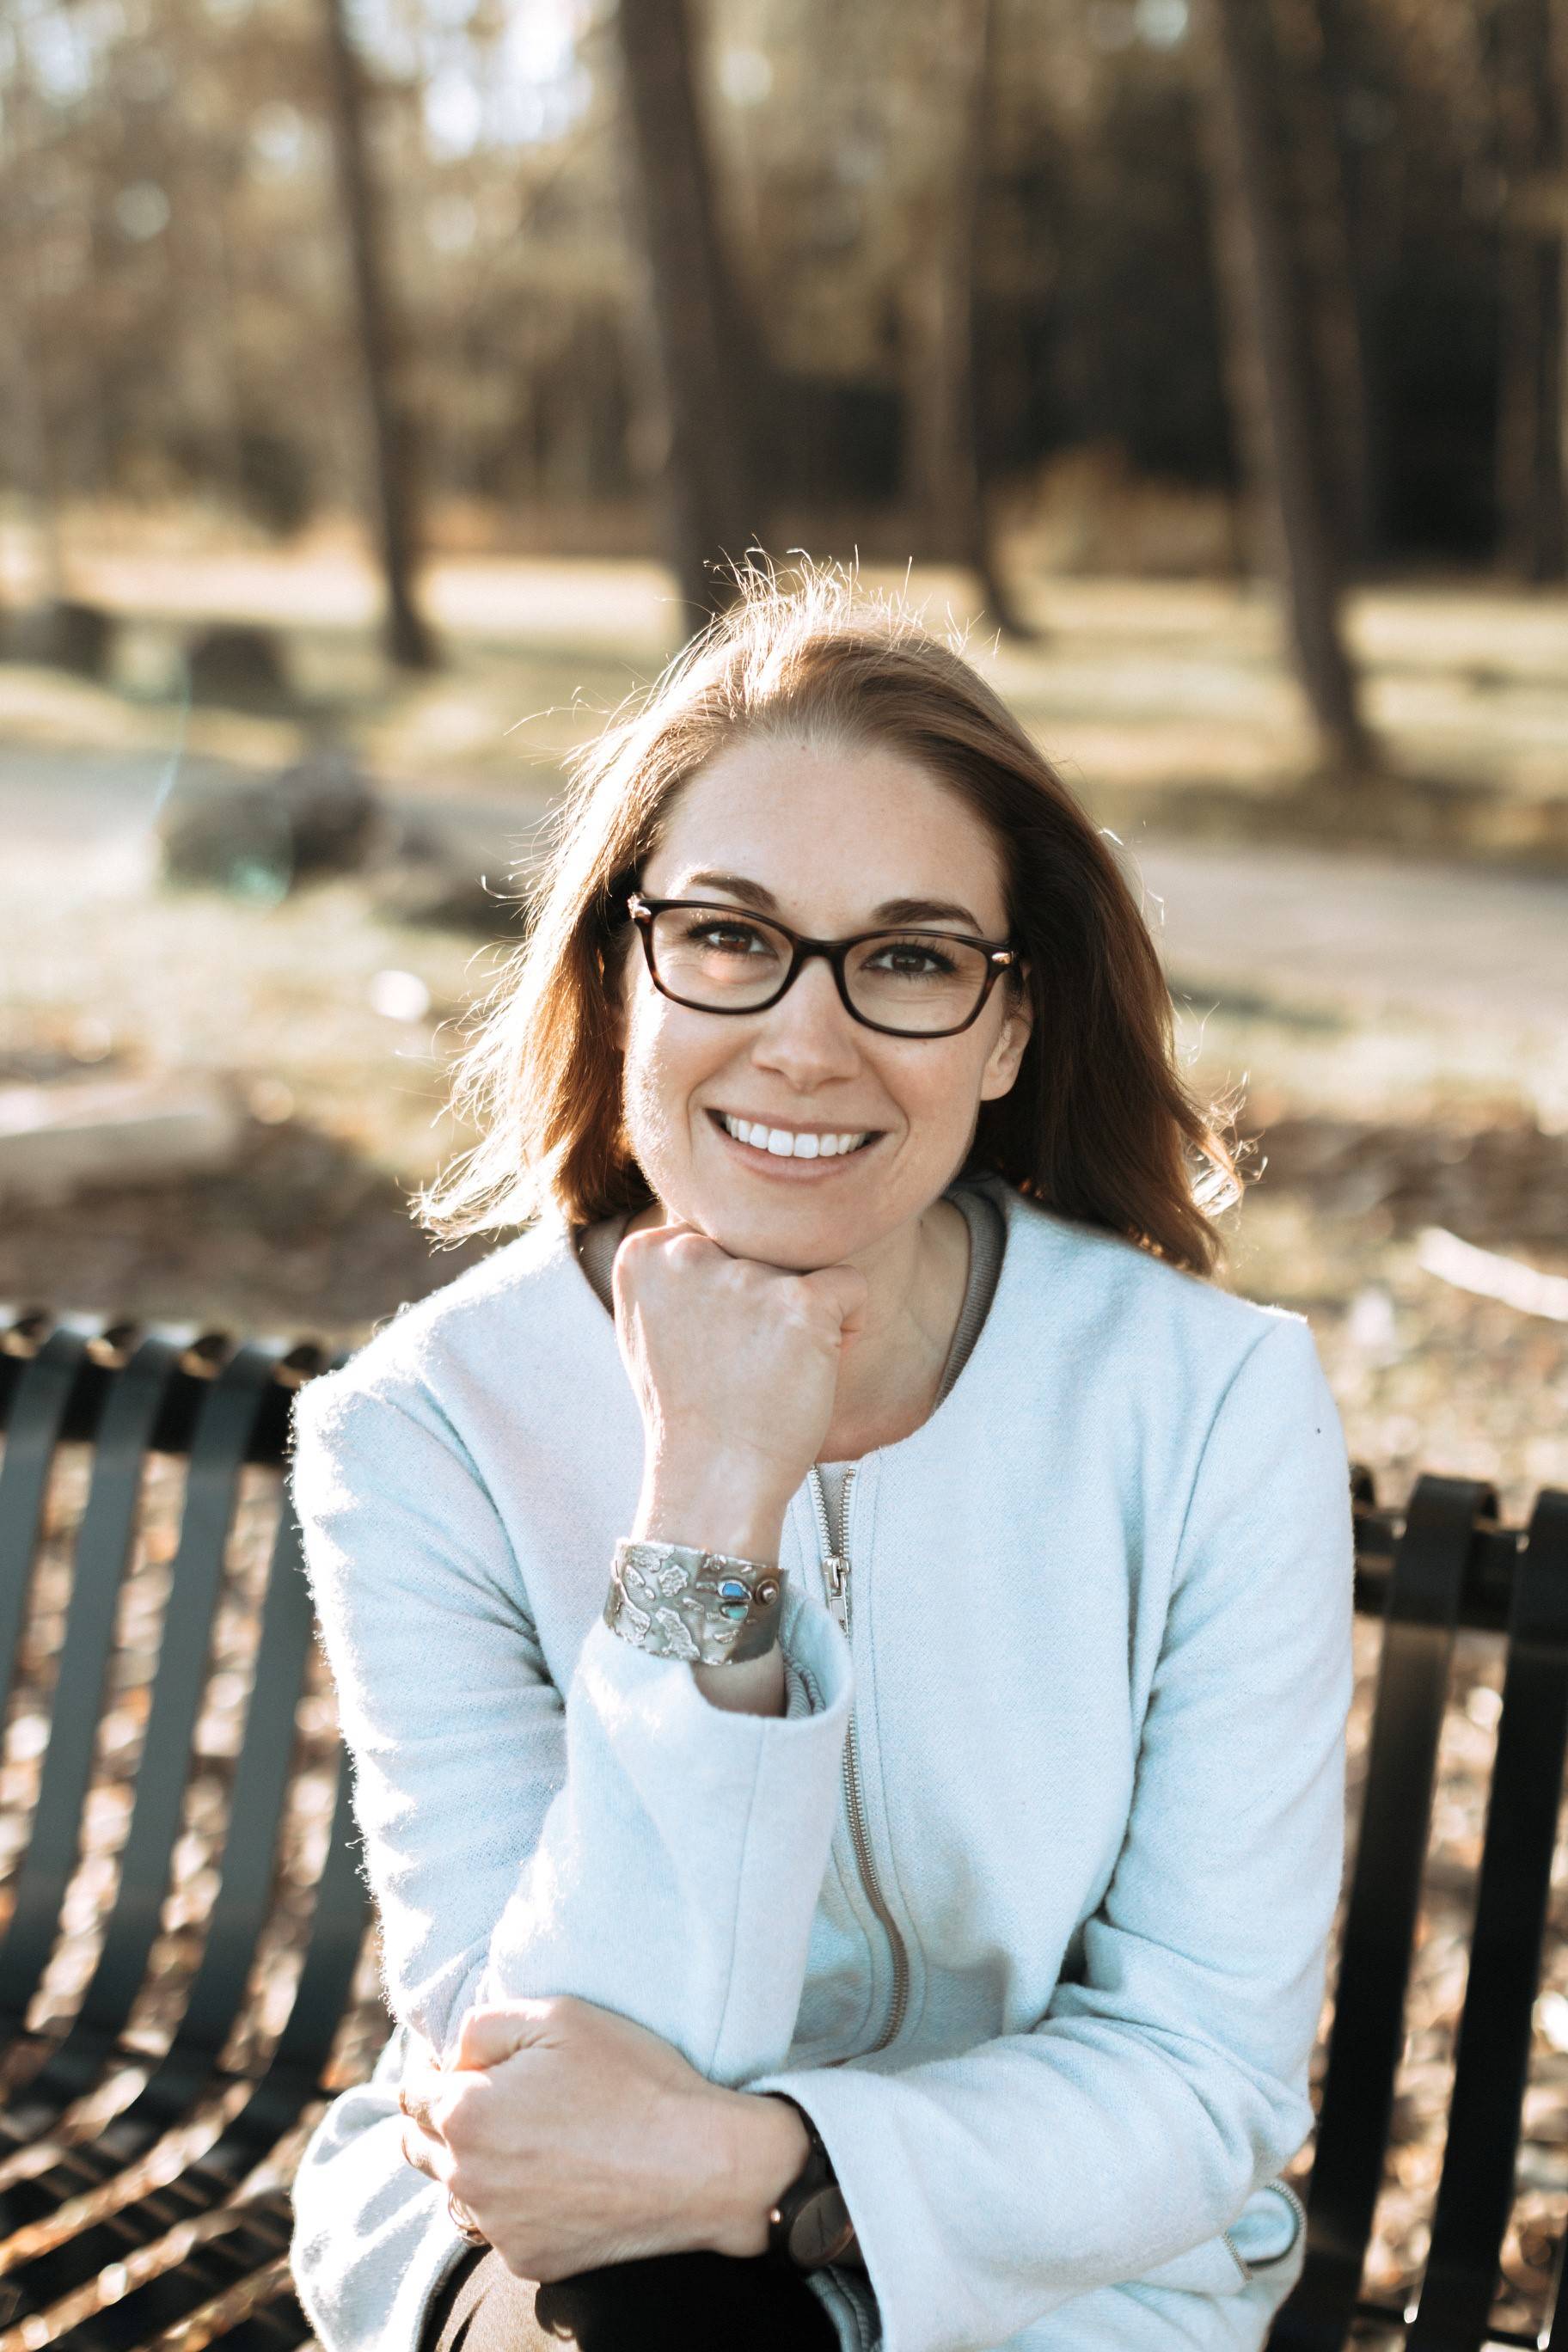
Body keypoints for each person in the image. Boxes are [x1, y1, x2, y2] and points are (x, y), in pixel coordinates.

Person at [287, 568, 1354, 2352]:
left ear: (1012, 1026)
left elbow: (1203, 2072)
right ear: (623, 972)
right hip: (567, 2280)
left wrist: (766, 2174)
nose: (805, 1033)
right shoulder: (421, 1434)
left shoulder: (1210, 1404)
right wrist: (710, 1498)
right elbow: (548, 2072)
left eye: (913, 960)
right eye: (726, 934)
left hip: (1059, 2274)